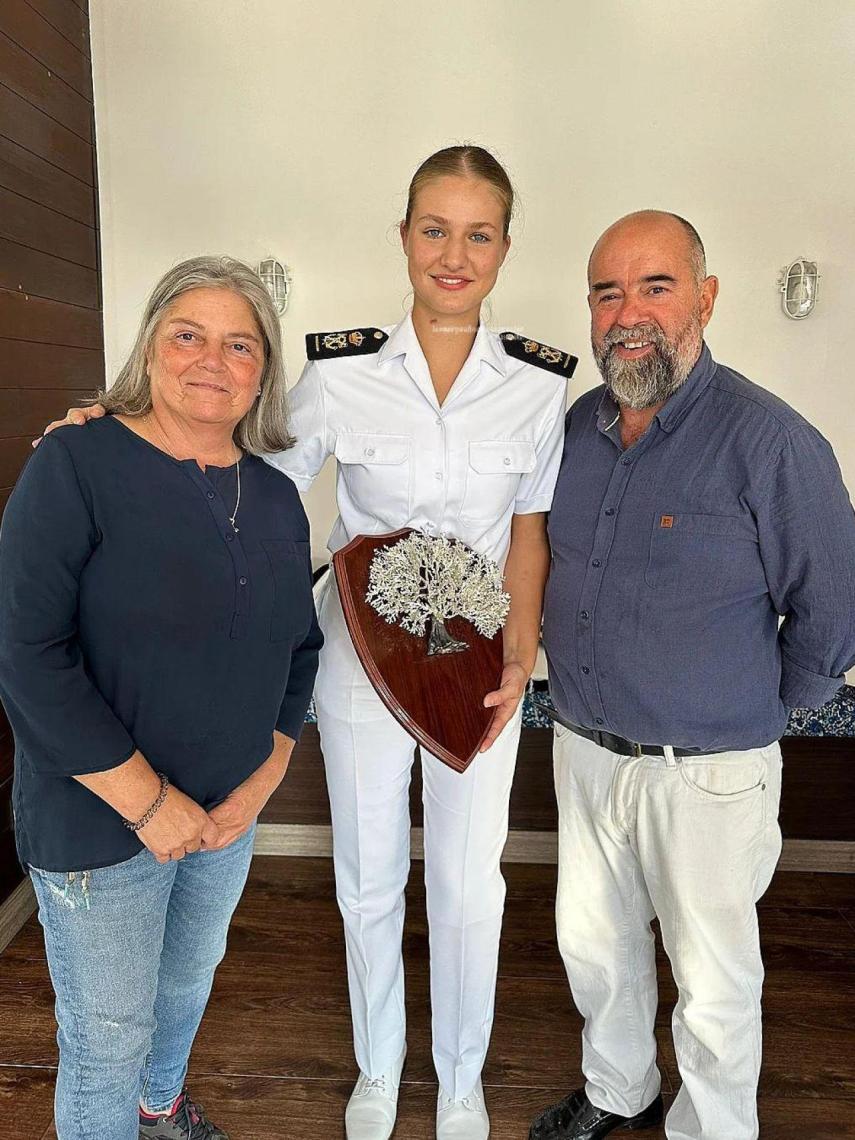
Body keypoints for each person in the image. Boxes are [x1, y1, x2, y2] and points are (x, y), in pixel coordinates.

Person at [44, 146, 577, 1140]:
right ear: (404, 236)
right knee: (368, 873)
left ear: (505, 246)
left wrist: (519, 653)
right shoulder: (340, 374)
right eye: (434, 229)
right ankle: (380, 1070)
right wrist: (109, 426)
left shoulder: (539, 387)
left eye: (478, 233)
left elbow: (531, 533)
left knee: (470, 882)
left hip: (480, 674)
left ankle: (460, 1081)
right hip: (360, 661)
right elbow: (230, 464)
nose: (453, 254)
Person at [532, 211, 855, 1140]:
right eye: (606, 293)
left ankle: (709, 1128)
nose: (627, 313)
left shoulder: (772, 443)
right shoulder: (576, 435)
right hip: (584, 750)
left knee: (711, 983)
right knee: (596, 953)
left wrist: (755, 713)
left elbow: (832, 613)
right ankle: (616, 1091)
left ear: (705, 298)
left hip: (707, 770)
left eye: (654, 286)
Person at [0, 256, 322, 1140]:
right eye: (189, 335)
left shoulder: (275, 495)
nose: (212, 360)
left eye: (240, 344)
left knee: (186, 980)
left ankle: (162, 1102)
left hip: (225, 818)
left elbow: (299, 649)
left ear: (264, 371)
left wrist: (258, 788)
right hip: (99, 823)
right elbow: (28, 658)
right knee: (106, 1036)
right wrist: (149, 805)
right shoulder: (74, 463)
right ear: (150, 346)